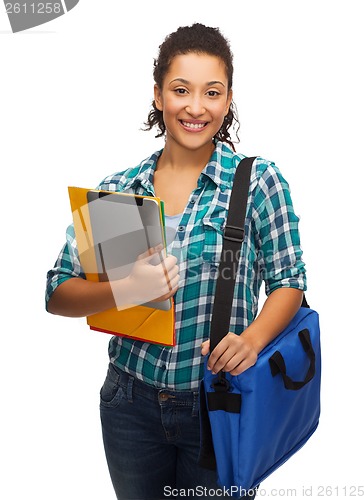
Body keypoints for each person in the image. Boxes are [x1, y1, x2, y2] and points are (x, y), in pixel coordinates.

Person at [46, 23, 307, 500]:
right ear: (158, 95)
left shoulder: (256, 181)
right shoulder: (124, 190)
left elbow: (290, 281)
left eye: (212, 92)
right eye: (180, 90)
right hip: (129, 404)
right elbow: (58, 292)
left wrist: (252, 340)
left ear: (228, 101)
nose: (195, 107)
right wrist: (127, 288)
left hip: (220, 403)